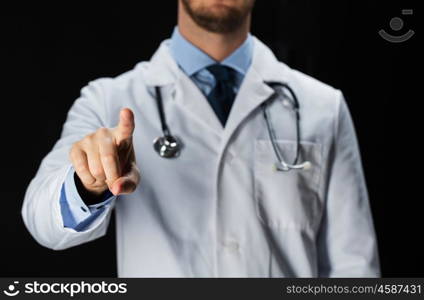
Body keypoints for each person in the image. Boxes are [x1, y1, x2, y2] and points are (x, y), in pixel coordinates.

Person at [22, 0, 380, 277]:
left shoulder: (323, 107)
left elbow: (354, 266)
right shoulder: (109, 100)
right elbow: (42, 221)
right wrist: (89, 184)